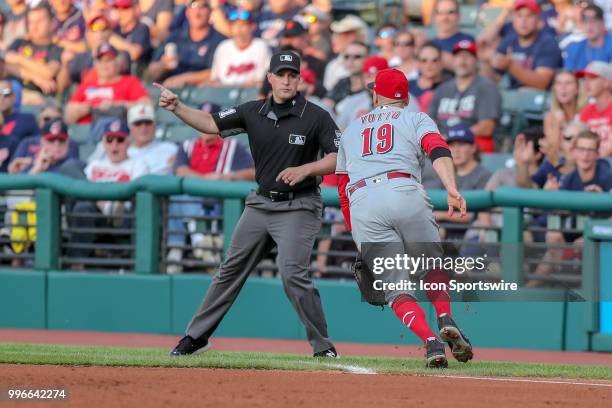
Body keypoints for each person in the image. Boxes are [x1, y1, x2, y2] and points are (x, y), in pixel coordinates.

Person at [156, 50, 340, 358]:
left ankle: (323, 346)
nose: (286, 80)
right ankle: (196, 336)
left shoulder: (316, 115)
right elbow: (211, 124)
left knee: (292, 272)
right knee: (229, 270)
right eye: (280, 74)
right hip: (260, 203)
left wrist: (306, 169)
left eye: (292, 75)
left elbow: (338, 157)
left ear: (299, 80)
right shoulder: (252, 110)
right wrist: (178, 108)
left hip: (299, 204)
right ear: (269, 78)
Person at [335, 67, 473, 368]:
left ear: (375, 95)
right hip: (403, 189)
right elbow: (438, 149)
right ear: (406, 97)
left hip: (363, 202)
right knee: (431, 266)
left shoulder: (351, 129)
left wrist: (354, 229)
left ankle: (430, 342)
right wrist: (451, 188)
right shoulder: (415, 117)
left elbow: (342, 188)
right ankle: (444, 317)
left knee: (396, 287)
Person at [167, 102, 255, 273]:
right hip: (191, 199)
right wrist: (206, 180)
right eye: (200, 117)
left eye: (209, 118)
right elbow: (181, 170)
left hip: (217, 202)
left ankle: (185, 246)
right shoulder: (187, 146)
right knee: (180, 196)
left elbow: (254, 172)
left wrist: (229, 176)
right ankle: (199, 242)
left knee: (185, 197)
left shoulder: (232, 147)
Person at [529, 130, 612, 286]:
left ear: (597, 154)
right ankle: (529, 291)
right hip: (574, 236)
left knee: (585, 245)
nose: (585, 155)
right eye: (581, 149)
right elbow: (560, 214)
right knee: (553, 237)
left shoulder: (607, 175)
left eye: (590, 150)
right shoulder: (569, 179)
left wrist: (603, 199)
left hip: (601, 237)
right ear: (574, 152)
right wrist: (552, 196)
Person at [67, 119, 150, 261]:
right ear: (104, 143)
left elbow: (138, 195)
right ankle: (76, 263)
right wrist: (102, 202)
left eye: (120, 140)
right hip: (96, 216)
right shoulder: (95, 165)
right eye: (110, 140)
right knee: (81, 203)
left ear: (128, 142)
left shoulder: (138, 165)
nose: (114, 145)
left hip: (123, 218)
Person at [429, 40, 502, 153]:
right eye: (458, 56)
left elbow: (487, 127)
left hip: (471, 144)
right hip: (442, 144)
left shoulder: (487, 87)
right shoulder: (441, 90)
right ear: (453, 61)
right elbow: (429, 122)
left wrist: (453, 137)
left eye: (468, 56)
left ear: (476, 61)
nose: (462, 60)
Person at [65, 43, 151, 124]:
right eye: (100, 61)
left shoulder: (130, 82)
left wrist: (118, 104)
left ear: (117, 62)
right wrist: (87, 108)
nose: (104, 65)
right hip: (86, 131)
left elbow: (147, 105)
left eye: (109, 60)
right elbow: (68, 115)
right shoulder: (86, 85)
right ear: (96, 64)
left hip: (117, 131)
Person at [147, 0, 225, 87]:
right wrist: (162, 65)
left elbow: (217, 73)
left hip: (203, 93)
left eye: (203, 6)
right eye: (193, 6)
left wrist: (183, 78)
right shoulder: (174, 38)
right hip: (171, 91)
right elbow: (151, 71)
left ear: (210, 11)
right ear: (187, 11)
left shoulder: (219, 41)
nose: (197, 12)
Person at [489, 0, 563, 89]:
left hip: (539, 99)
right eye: (519, 16)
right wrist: (485, 62)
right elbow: (493, 79)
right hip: (515, 97)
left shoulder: (548, 43)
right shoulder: (509, 41)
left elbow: (542, 83)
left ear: (538, 21)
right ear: (514, 20)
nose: (523, 21)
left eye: (529, 16)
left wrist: (510, 66)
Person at [87, 103, 178, 174]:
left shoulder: (170, 149)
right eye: (138, 124)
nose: (143, 128)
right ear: (130, 127)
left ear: (155, 125)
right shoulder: (118, 148)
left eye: (148, 123)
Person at [4, 3, 62, 104]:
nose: (34, 26)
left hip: (37, 98)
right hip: (8, 92)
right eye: (31, 22)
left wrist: (18, 59)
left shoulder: (55, 48)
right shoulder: (19, 42)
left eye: (40, 21)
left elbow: (48, 73)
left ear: (52, 23)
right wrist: (36, 78)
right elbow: (4, 65)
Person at [209, 9, 271, 87]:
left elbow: (269, 80)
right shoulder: (223, 47)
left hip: (252, 93)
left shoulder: (261, 46)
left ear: (252, 27)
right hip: (225, 94)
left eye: (243, 25)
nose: (238, 29)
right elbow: (215, 79)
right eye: (235, 25)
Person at [323, 15, 368, 91]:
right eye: (335, 34)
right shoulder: (333, 66)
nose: (334, 39)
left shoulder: (371, 63)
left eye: (342, 34)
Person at [543, 71, 586, 149]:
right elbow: (552, 150)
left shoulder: (586, 113)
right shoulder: (550, 117)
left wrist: (564, 126)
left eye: (568, 83)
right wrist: (557, 126)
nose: (563, 87)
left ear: (577, 89)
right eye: (559, 83)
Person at [577, 61, 611, 156]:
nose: (586, 83)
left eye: (592, 78)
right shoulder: (587, 110)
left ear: (607, 82)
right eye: (585, 79)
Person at [564, 4, 612, 71]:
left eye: (594, 21)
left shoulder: (610, 43)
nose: (589, 25)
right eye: (585, 21)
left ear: (602, 22)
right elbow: (568, 76)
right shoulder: (574, 48)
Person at [431, 0, 476, 70]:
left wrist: (429, 50)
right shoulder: (431, 43)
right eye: (440, 13)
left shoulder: (467, 40)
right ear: (434, 16)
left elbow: (464, 68)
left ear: (459, 15)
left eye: (450, 12)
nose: (445, 18)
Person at [324, 42, 369, 108]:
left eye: (357, 56)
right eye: (346, 56)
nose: (351, 60)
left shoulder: (371, 86)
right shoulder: (342, 82)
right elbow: (327, 103)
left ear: (368, 58)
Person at [108, 0, 152, 66]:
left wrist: (117, 42)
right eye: (117, 9)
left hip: (136, 71)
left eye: (125, 8)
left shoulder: (141, 28)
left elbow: (135, 54)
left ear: (136, 9)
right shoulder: (115, 30)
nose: (120, 13)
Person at [409, 42, 448, 112]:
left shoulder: (451, 86)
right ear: (418, 63)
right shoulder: (407, 87)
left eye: (434, 60)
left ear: (441, 62)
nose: (429, 65)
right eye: (424, 60)